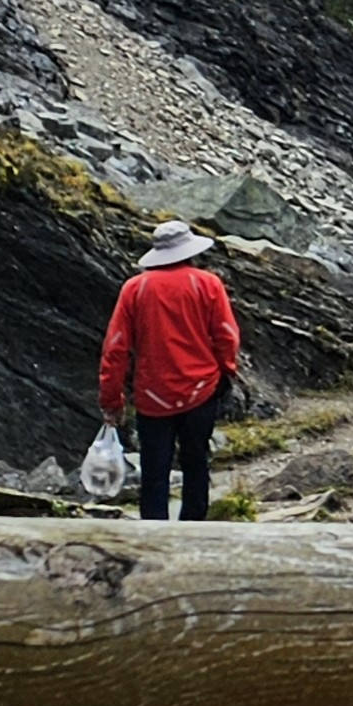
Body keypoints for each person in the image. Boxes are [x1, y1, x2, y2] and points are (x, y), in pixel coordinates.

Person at [100, 218, 242, 521]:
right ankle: (193, 530)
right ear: (189, 251)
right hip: (201, 390)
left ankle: (154, 534)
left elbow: (116, 348)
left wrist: (112, 400)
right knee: (196, 463)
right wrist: (226, 370)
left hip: (153, 396)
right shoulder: (207, 284)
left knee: (154, 470)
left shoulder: (134, 289)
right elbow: (226, 335)